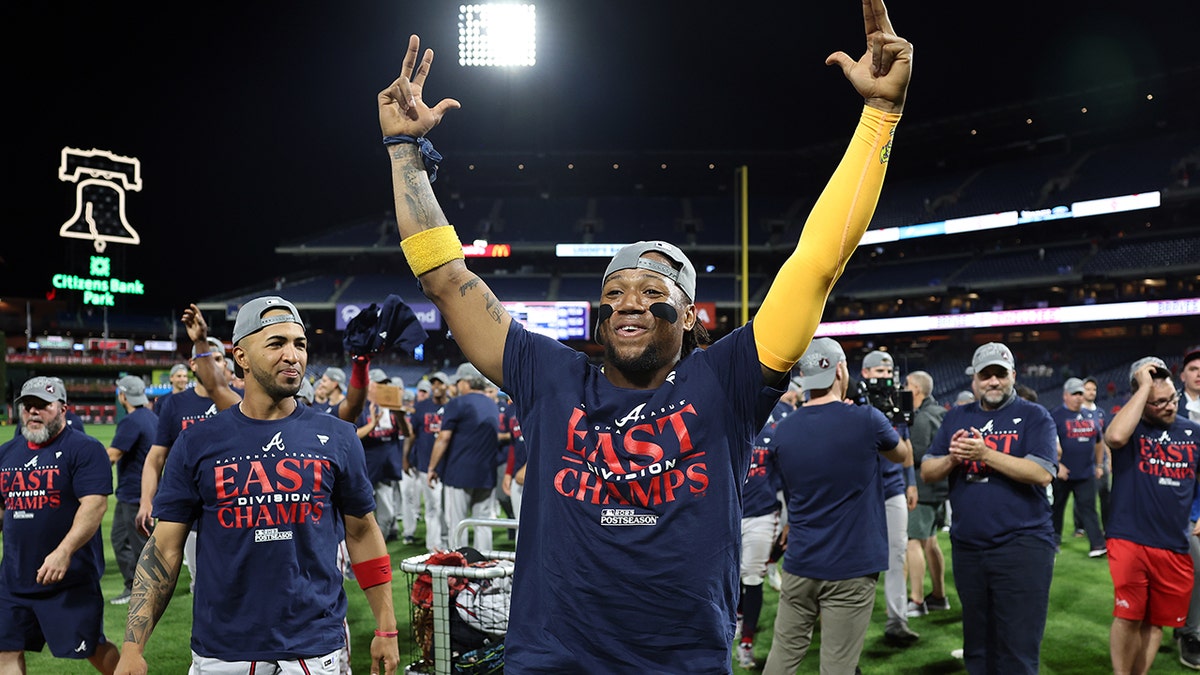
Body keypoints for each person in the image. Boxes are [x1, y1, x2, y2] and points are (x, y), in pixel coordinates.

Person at [378, 1, 911, 667]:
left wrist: (879, 119)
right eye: (614, 292)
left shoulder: (728, 381)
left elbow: (817, 262)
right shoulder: (549, 375)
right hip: (552, 660)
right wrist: (404, 153)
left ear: (690, 316)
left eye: (654, 292)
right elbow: (448, 281)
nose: (629, 301)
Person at [113, 296, 400, 675]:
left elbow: (363, 531)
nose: (293, 355)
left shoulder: (339, 436)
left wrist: (387, 626)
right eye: (276, 343)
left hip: (314, 647)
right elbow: (164, 549)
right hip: (223, 650)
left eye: (300, 344)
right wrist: (133, 645)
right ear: (241, 357)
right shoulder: (198, 442)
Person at [761, 338, 910, 674]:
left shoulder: (783, 431)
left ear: (803, 376)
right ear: (841, 370)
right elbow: (903, 456)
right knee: (838, 666)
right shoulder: (867, 419)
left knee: (782, 659)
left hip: (800, 563)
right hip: (851, 566)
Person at [921, 342, 1058, 675]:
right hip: (969, 546)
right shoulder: (956, 416)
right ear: (974, 381)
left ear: (1013, 376)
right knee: (978, 647)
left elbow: (1041, 473)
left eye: (1000, 374)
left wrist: (984, 455)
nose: (993, 381)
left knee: (1018, 647)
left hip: (1022, 544)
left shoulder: (1034, 415)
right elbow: (927, 471)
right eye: (986, 375)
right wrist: (954, 457)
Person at [0, 376, 120, 674]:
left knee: (92, 648)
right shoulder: (6, 453)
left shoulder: (85, 449)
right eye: (28, 406)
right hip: (13, 578)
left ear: (64, 408)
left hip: (68, 579)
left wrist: (64, 551)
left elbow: (94, 504)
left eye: (43, 406)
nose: (33, 412)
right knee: (5, 649)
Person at [1104, 356, 1200, 675]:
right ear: (1142, 402)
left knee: (1156, 622)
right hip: (1129, 537)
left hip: (1173, 542)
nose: (1169, 406)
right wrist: (1144, 387)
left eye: (1171, 398)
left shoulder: (1193, 432)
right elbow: (1114, 437)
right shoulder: (1131, 431)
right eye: (1158, 403)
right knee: (1129, 614)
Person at [137, 310, 241, 595]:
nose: (216, 364)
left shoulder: (241, 400)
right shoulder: (174, 404)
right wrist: (147, 500)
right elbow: (156, 456)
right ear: (196, 364)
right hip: (192, 505)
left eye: (221, 359)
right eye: (210, 358)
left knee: (240, 580)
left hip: (235, 503)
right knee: (201, 585)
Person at [857, 349, 919, 645]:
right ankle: (851, 621)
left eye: (887, 371)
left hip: (893, 485)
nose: (883, 377)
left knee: (897, 553)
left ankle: (897, 620)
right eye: (878, 372)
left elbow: (906, 448)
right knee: (859, 558)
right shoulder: (854, 398)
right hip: (860, 488)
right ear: (866, 373)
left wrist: (911, 482)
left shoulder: (897, 402)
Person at [735, 383, 795, 668]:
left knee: (752, 577)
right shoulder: (728, 418)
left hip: (761, 513)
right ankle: (736, 619)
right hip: (729, 512)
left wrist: (790, 516)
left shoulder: (776, 426)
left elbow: (787, 476)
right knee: (730, 575)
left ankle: (746, 642)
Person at [427, 363, 501, 551]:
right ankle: (484, 573)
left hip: (459, 473)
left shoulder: (457, 403)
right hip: (486, 473)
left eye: (459, 381)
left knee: (457, 526)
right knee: (483, 525)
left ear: (466, 382)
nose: (457, 385)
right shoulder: (492, 404)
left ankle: (459, 573)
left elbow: (443, 438)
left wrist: (432, 467)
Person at [106, 375, 158, 605]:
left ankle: (140, 592)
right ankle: (138, 587)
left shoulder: (131, 421)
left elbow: (113, 455)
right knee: (123, 539)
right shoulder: (151, 417)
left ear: (122, 396)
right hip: (145, 490)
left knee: (135, 544)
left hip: (134, 493)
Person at [904, 369, 950, 617]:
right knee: (930, 542)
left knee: (913, 542)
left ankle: (916, 600)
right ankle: (939, 596)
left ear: (917, 390)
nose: (903, 389)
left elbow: (917, 453)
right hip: (938, 487)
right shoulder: (939, 412)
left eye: (907, 385)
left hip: (922, 488)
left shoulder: (922, 418)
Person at [1049, 377, 1107, 557]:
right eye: (1074, 394)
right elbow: (1046, 444)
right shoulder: (1055, 416)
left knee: (1088, 509)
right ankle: (1053, 541)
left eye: (1080, 394)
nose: (1078, 397)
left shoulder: (1091, 416)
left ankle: (1097, 545)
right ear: (1065, 395)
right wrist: (1057, 465)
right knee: (1056, 508)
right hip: (1062, 473)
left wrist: (1098, 464)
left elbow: (1099, 442)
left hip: (1086, 472)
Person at [356, 368, 410, 542]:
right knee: (359, 516)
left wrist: (400, 413)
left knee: (386, 516)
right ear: (369, 385)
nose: (383, 387)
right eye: (378, 384)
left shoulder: (392, 408)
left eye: (385, 384)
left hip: (386, 469)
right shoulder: (358, 407)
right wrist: (373, 424)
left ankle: (379, 548)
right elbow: (352, 436)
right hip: (363, 469)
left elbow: (407, 432)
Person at [404, 372, 451, 552]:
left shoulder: (453, 406)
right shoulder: (422, 406)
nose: (436, 386)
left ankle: (447, 543)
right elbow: (412, 434)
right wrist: (406, 458)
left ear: (447, 386)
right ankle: (434, 547)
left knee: (447, 509)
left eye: (440, 383)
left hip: (448, 465)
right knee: (433, 507)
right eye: (434, 384)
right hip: (425, 464)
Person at [1178, 345, 1200, 669]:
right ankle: (1190, 632)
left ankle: (1187, 627)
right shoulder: (1165, 406)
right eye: (1194, 368)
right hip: (1168, 504)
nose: (1199, 373)